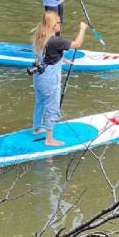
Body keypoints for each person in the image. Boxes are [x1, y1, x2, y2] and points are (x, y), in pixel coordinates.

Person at [31, 11, 88, 146]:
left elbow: (47, 56)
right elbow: (77, 44)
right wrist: (82, 29)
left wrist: (62, 59)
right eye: (58, 22)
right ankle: (49, 139)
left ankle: (37, 129)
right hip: (49, 79)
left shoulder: (40, 36)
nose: (60, 25)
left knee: (40, 102)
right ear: (52, 25)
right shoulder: (56, 41)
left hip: (38, 77)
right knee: (52, 106)